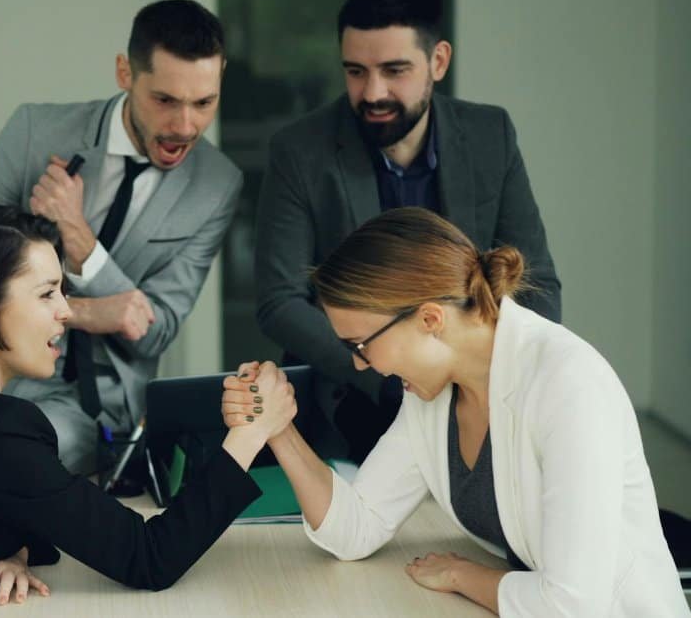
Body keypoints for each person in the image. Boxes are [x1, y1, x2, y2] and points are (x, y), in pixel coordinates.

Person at [0, 204, 295, 618]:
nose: (65, 312)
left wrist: (14, 549)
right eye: (47, 294)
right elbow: (149, 558)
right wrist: (250, 434)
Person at [227, 207, 686, 616]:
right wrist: (279, 430)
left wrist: (462, 576)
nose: (359, 364)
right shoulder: (434, 393)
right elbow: (355, 529)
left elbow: (572, 604)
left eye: (362, 345)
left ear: (430, 320)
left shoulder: (568, 384)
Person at [254, 0, 561, 462]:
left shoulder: (490, 135)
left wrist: (506, 379)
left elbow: (537, 280)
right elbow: (279, 301)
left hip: (475, 389)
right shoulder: (299, 150)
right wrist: (387, 377)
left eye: (395, 70)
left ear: (438, 61)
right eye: (355, 71)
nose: (373, 92)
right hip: (354, 395)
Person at [0, 0, 242, 477]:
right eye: (165, 100)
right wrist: (93, 312)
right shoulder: (35, 130)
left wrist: (77, 233)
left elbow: (153, 331)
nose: (185, 126)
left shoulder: (218, 185)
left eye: (204, 103)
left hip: (90, 404)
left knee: (14, 458)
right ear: (124, 73)